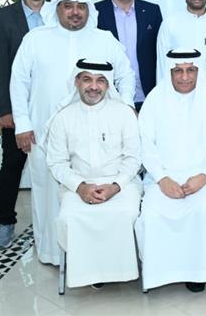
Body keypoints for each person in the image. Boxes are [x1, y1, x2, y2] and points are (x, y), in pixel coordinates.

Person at [10, 0, 135, 265]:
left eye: (81, 7)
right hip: (42, 130)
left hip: (95, 134)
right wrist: (23, 124)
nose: (75, 12)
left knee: (92, 188)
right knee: (46, 190)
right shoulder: (35, 39)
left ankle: (91, 258)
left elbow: (126, 75)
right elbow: (18, 82)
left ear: (89, 10)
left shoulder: (104, 39)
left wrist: (125, 108)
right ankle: (51, 253)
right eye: (68, 6)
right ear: (57, 8)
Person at [135, 50, 206, 292]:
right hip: (162, 177)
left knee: (204, 210)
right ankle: (161, 271)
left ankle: (196, 269)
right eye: (178, 71)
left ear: (199, 71)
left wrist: (203, 176)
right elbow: (145, 145)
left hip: (205, 177)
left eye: (191, 70)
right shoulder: (155, 100)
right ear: (170, 72)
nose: (184, 77)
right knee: (152, 215)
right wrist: (162, 179)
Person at [45, 59, 141, 288]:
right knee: (70, 217)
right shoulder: (63, 117)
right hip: (77, 185)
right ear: (77, 82)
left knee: (125, 212)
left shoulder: (124, 114)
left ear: (108, 85)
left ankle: (118, 271)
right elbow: (56, 162)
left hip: (122, 183)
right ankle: (89, 273)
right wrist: (81, 187)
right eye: (87, 79)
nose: (94, 87)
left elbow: (134, 159)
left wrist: (115, 187)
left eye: (101, 81)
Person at [0, 0, 49, 249]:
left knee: (54, 165)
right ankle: (5, 222)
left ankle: (51, 222)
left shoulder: (58, 12)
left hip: (51, 106)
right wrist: (4, 110)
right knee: (13, 165)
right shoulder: (3, 18)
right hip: (19, 108)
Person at [95, 0, 163, 111]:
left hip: (148, 98)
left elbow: (160, 53)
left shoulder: (152, 11)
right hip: (108, 98)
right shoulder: (95, 13)